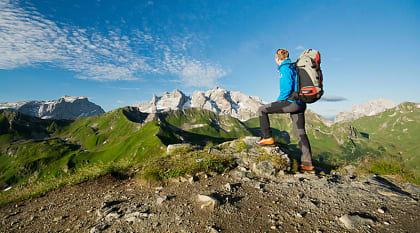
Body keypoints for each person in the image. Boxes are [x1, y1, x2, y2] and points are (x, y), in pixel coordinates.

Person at [256, 48, 315, 173]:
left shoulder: (284, 68)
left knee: (262, 110)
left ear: (278, 58)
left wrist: (279, 102)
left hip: (292, 102)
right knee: (300, 132)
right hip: (301, 103)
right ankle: (307, 164)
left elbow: (286, 88)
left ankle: (267, 137)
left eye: (275, 59)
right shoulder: (294, 67)